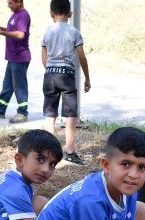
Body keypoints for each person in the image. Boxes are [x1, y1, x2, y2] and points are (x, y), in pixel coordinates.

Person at [41, 0, 91, 165]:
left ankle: (48, 151)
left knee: (50, 113)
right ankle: (69, 151)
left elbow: (44, 56)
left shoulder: (47, 32)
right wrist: (87, 78)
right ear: (70, 13)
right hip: (67, 75)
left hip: (50, 75)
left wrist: (50, 69)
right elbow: (82, 57)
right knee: (70, 114)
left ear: (51, 13)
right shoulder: (74, 32)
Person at [0, 0, 31, 124]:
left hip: (20, 57)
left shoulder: (23, 15)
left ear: (18, 2)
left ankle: (22, 113)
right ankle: (0, 111)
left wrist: (1, 33)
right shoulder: (15, 15)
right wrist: (0, 29)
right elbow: (12, 30)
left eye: (10, 3)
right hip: (12, 57)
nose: (8, 5)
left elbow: (20, 34)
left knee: (19, 86)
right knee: (7, 86)